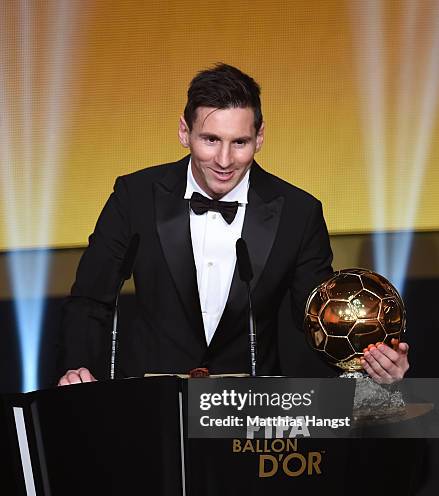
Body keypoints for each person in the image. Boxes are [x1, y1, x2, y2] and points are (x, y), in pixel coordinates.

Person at [58, 63, 409, 385]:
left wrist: (370, 366)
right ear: (184, 132)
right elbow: (90, 299)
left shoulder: (299, 213)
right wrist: (77, 367)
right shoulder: (134, 195)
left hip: (251, 412)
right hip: (152, 404)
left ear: (259, 137)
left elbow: (317, 322)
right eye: (210, 140)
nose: (224, 160)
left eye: (239, 142)